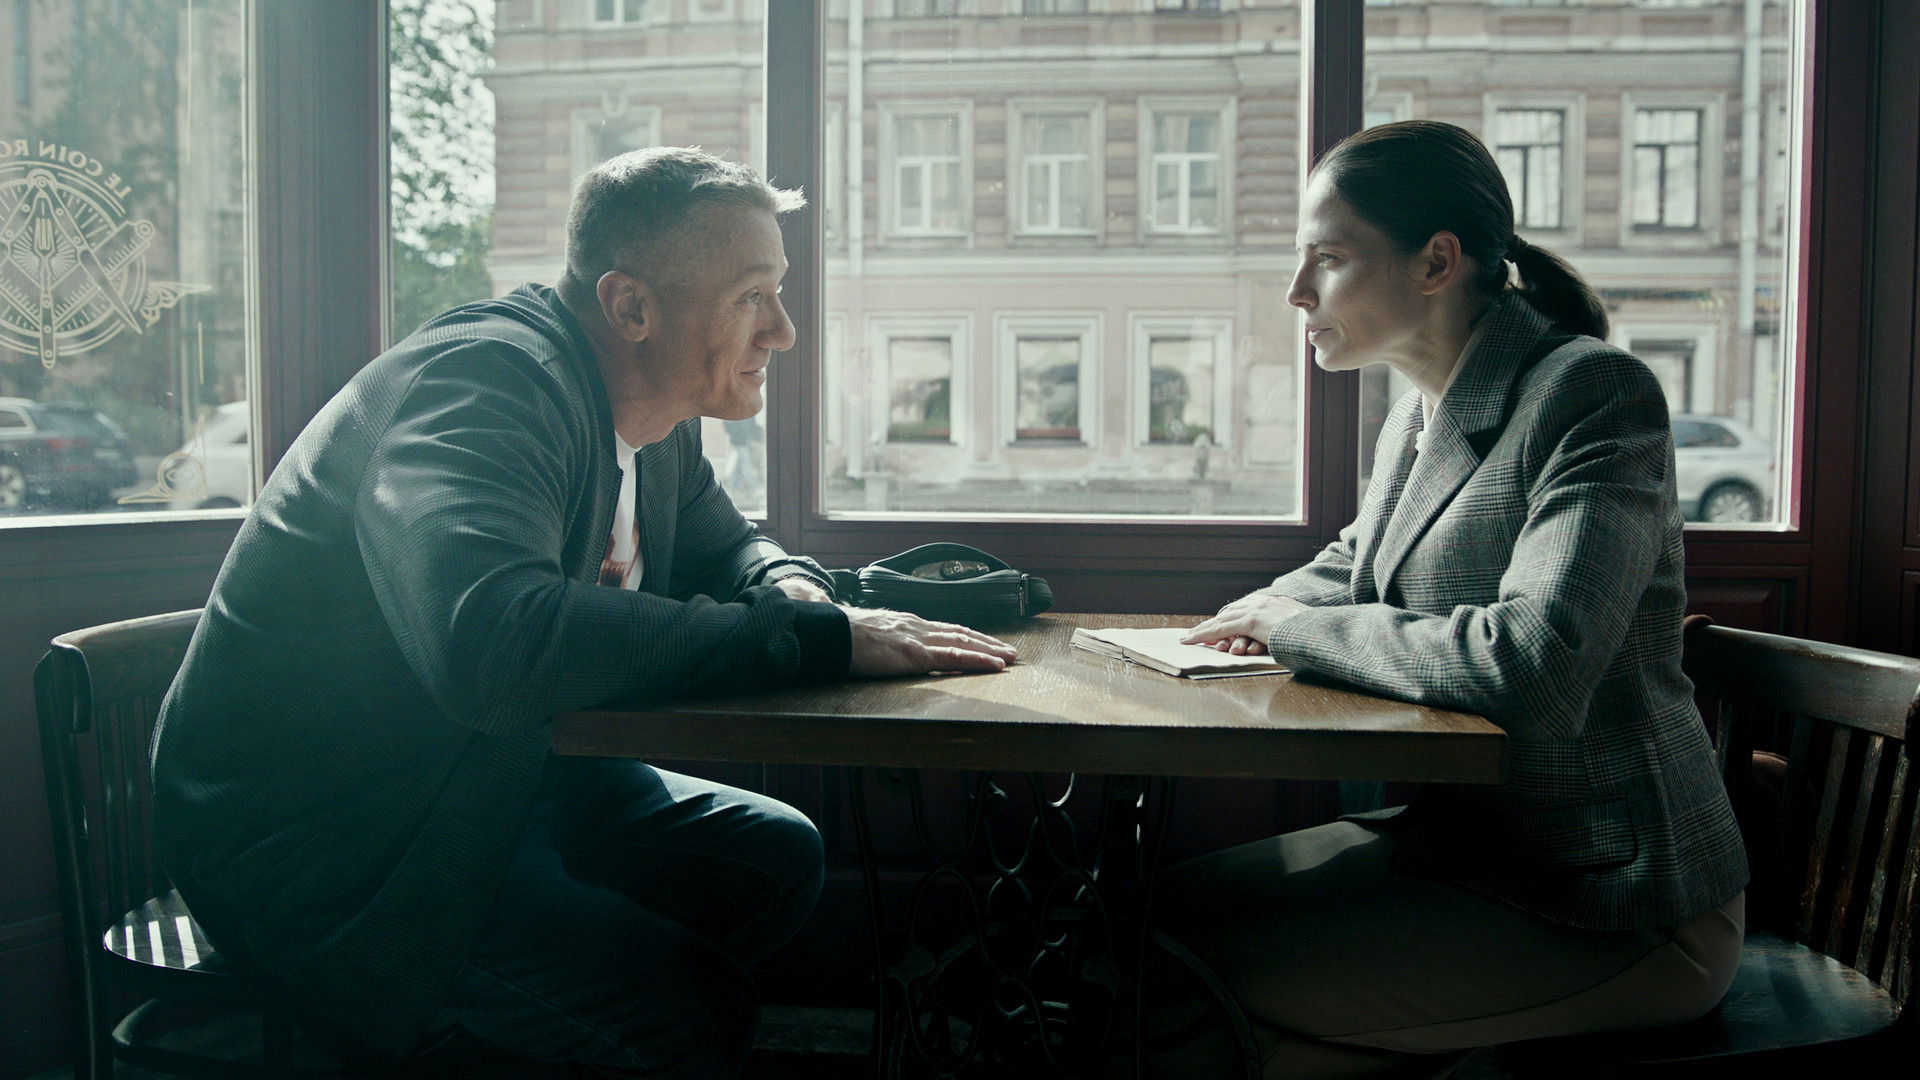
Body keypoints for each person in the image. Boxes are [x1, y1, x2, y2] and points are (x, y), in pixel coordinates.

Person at [149, 147, 1017, 1079]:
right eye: (751, 297)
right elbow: (495, 644)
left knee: (773, 859)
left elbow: (732, 546)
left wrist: (792, 587)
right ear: (631, 307)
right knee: (692, 1013)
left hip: (492, 782)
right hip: (340, 842)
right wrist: (812, 638)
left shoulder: (654, 422)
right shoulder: (485, 390)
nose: (783, 332)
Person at [1150, 121, 1750, 1079]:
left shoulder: (1595, 392)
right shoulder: (1418, 413)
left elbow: (1534, 663)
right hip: (1468, 851)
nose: (1297, 291)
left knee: (1178, 991)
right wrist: (1216, 630)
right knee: (1148, 919)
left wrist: (1294, 630)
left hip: (1616, 898)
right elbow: (1349, 567)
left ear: (1436, 262)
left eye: (1329, 259)